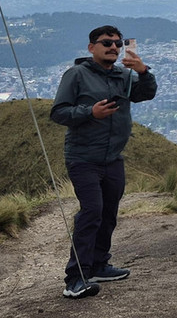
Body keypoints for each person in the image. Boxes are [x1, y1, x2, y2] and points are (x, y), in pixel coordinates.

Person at [51, 25, 157, 299]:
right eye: (106, 42)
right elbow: (59, 112)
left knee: (108, 213)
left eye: (118, 43)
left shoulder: (124, 75)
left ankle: (99, 265)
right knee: (91, 213)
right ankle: (76, 277)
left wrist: (143, 71)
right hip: (84, 157)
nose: (113, 47)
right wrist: (91, 112)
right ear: (91, 48)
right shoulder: (76, 75)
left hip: (112, 158)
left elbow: (146, 94)